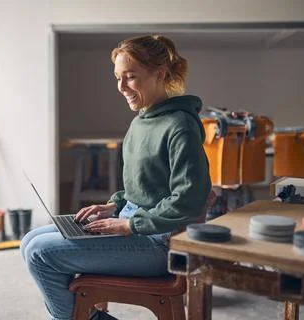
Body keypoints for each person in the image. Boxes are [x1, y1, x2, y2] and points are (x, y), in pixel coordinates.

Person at [21, 35, 212, 320]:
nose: (121, 87)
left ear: (159, 74)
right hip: (133, 222)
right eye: (117, 78)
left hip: (159, 242)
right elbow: (146, 186)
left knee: (40, 254)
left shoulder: (180, 125)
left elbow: (190, 200)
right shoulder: (142, 120)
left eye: (130, 77)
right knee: (30, 241)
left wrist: (128, 225)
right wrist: (113, 206)